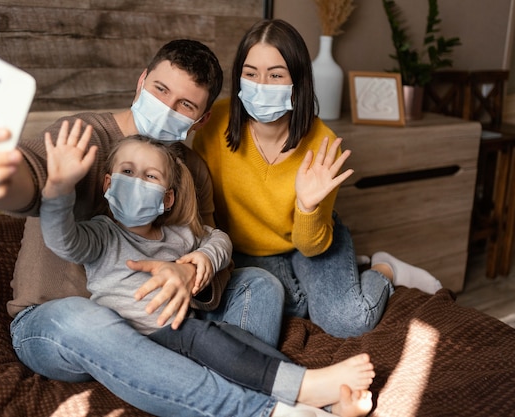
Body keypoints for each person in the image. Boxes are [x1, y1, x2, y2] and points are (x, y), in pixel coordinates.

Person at [0, 39, 294, 417]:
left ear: (200, 120)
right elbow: (33, 175)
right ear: (141, 82)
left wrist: (189, 272)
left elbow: (211, 247)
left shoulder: (191, 170)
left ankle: (207, 376)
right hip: (57, 323)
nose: (167, 108)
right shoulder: (82, 133)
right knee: (84, 316)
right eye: (160, 90)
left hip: (156, 321)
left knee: (260, 283)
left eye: (185, 105)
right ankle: (255, 407)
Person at [39, 128, 375, 415]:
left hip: (183, 329)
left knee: (236, 341)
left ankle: (328, 404)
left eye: (150, 176)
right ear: (108, 184)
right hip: (137, 336)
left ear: (167, 199)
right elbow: (62, 239)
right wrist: (58, 190)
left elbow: (218, 239)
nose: (137, 181)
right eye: (127, 172)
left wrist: (203, 260)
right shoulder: (102, 235)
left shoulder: (178, 235)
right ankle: (306, 388)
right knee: (211, 340)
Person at [193, 19, 443, 339]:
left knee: (349, 320)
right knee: (289, 309)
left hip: (310, 238)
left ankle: (383, 269)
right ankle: (345, 274)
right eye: (251, 72)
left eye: (276, 74)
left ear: (297, 80)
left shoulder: (322, 142)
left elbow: (311, 246)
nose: (261, 84)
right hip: (243, 248)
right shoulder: (215, 126)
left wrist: (308, 206)